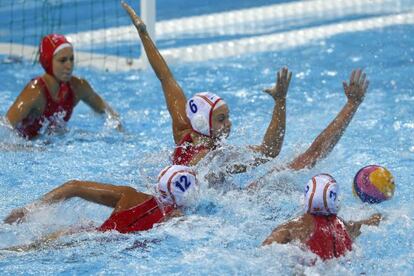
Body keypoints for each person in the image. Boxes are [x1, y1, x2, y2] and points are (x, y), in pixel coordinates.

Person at [122, 3, 369, 177]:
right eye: (221, 119)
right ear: (203, 123)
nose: (229, 124)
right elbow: (270, 151)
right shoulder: (215, 158)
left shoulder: (182, 132)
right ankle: (351, 106)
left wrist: (143, 32)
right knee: (304, 161)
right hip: (212, 214)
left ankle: (350, 106)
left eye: (227, 116)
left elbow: (166, 78)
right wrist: (280, 102)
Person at [3, 165, 198, 237]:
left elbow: (74, 186)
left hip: (81, 237)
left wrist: (29, 210)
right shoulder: (176, 218)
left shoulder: (131, 196)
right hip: (96, 248)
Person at [5, 34, 122, 139]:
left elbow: (107, 111)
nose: (69, 65)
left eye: (71, 59)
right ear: (48, 61)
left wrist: (122, 134)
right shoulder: (35, 92)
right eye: (62, 60)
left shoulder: (78, 87)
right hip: (26, 148)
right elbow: (4, 128)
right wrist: (31, 150)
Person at [262, 174, 382, 261]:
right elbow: (369, 223)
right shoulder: (344, 227)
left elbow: (262, 252)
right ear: (334, 200)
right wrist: (379, 216)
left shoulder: (292, 228)